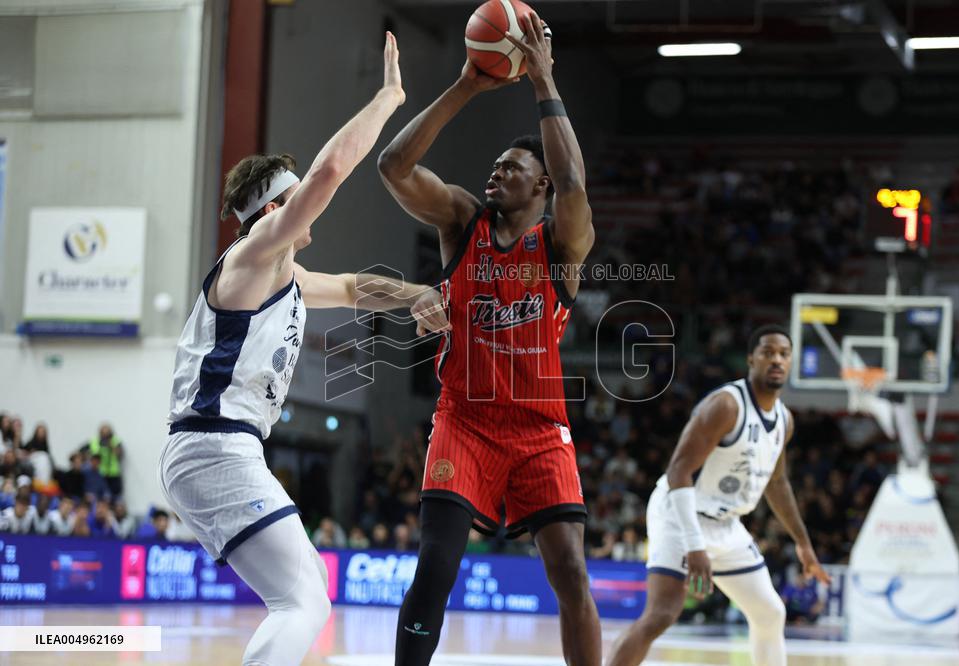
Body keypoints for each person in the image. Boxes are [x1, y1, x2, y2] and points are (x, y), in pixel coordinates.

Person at [158, 33, 446, 666]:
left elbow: (349, 286)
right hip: (213, 446)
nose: (311, 201)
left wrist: (420, 293)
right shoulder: (254, 255)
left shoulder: (284, 275)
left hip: (219, 449)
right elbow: (332, 170)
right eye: (296, 194)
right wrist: (389, 97)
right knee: (303, 604)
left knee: (310, 587)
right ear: (273, 209)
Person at [379, 13, 598, 666]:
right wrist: (468, 86)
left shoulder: (560, 246)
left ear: (542, 186)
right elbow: (394, 166)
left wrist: (543, 79)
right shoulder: (461, 222)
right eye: (495, 167)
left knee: (571, 573)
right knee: (437, 566)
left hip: (538, 428)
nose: (494, 175)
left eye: (511, 169)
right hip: (465, 422)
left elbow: (578, 185)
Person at [608, 325, 832, 666]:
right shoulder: (725, 405)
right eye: (768, 352)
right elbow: (678, 471)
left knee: (770, 612)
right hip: (680, 515)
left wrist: (803, 543)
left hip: (727, 524)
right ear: (750, 360)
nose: (776, 359)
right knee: (662, 614)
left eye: (784, 354)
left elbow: (778, 482)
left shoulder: (784, 420)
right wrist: (695, 544)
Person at [83, 423, 124, 498]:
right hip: (99, 473)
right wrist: (88, 458)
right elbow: (82, 451)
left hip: (113, 473)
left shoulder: (115, 441)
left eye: (107, 433)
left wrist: (111, 445)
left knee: (115, 496)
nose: (105, 436)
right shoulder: (94, 441)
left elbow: (119, 454)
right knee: (101, 495)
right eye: (103, 433)